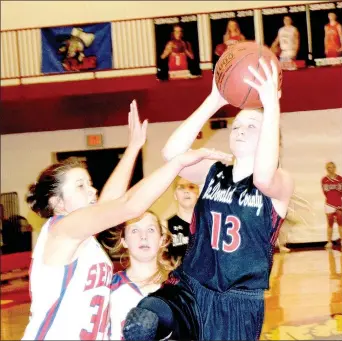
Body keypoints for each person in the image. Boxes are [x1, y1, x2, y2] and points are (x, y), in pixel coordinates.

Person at [21, 100, 226, 340]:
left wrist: (133, 148)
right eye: (80, 186)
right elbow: (128, 205)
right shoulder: (63, 229)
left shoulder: (82, 237)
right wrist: (177, 163)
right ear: (57, 203)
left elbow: (113, 201)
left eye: (89, 183)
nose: (92, 191)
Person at [123, 59, 294, 341]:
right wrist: (214, 98)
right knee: (142, 323)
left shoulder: (280, 182)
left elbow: (263, 176)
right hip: (190, 288)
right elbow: (172, 153)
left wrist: (271, 105)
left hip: (236, 304)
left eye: (251, 126)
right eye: (236, 125)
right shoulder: (213, 172)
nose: (239, 130)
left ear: (269, 136)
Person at [105, 211, 178, 340]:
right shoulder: (108, 288)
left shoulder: (179, 288)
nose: (143, 236)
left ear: (162, 240)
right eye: (134, 230)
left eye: (150, 229)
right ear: (124, 241)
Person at [166, 177, 199, 262]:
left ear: (198, 194)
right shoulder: (165, 227)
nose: (186, 191)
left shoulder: (209, 224)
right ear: (175, 195)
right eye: (181, 187)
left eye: (191, 187)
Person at [321, 161, 342, 248]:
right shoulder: (324, 180)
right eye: (329, 167)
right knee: (329, 224)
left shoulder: (340, 179)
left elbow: (341, 192)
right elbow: (325, 193)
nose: (331, 169)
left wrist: (337, 200)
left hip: (338, 204)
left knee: (340, 223)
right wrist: (331, 199)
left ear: (335, 168)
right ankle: (329, 242)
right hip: (328, 205)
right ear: (327, 169)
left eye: (333, 167)